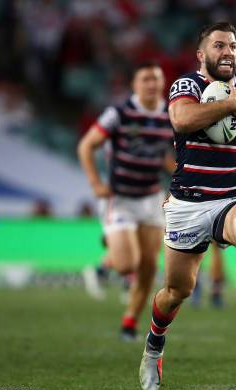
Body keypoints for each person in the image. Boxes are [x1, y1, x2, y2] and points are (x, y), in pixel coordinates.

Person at [139, 22, 236, 390]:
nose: (228, 52)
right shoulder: (187, 86)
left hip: (233, 196)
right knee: (177, 291)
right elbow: (181, 119)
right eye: (219, 45)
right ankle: (153, 347)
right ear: (201, 54)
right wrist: (228, 104)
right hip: (188, 204)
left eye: (234, 46)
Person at [77, 61, 174, 341]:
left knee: (149, 268)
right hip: (119, 199)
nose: (152, 84)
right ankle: (108, 258)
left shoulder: (170, 115)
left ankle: (129, 322)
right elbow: (86, 145)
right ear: (135, 85)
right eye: (146, 79)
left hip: (151, 198)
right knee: (126, 265)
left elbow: (166, 157)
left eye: (156, 79)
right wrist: (96, 183)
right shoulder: (118, 114)